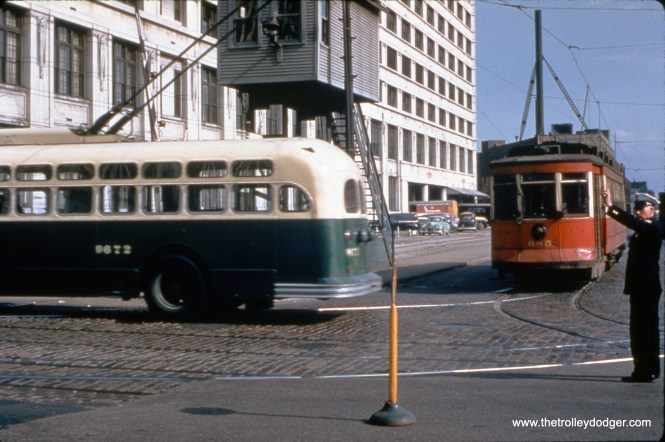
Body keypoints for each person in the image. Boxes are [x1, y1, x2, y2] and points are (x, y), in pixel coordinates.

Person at [602, 188, 662, 383]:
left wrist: (611, 207)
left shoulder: (652, 227)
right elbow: (634, 224)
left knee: (641, 330)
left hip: (645, 286)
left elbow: (631, 222)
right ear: (639, 210)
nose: (651, 210)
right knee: (647, 329)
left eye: (652, 207)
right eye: (648, 207)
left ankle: (643, 371)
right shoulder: (643, 229)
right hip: (643, 286)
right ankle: (650, 368)